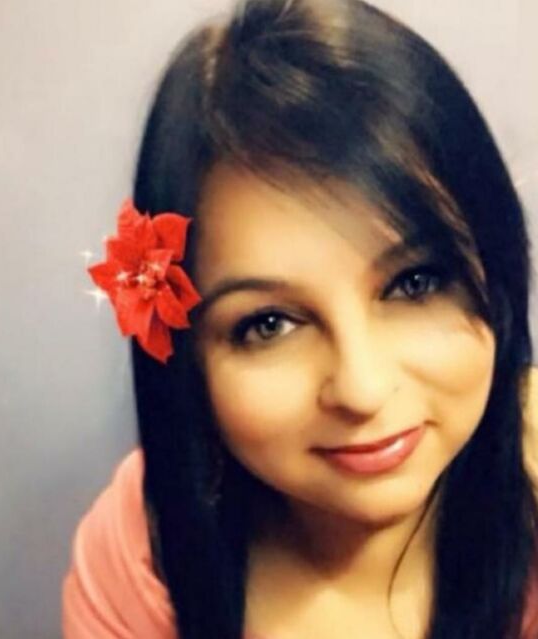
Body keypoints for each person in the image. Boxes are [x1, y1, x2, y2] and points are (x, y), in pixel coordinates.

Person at [62, 0, 538, 637]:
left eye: (414, 283)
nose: (363, 389)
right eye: (270, 325)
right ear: (186, 353)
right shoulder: (145, 545)